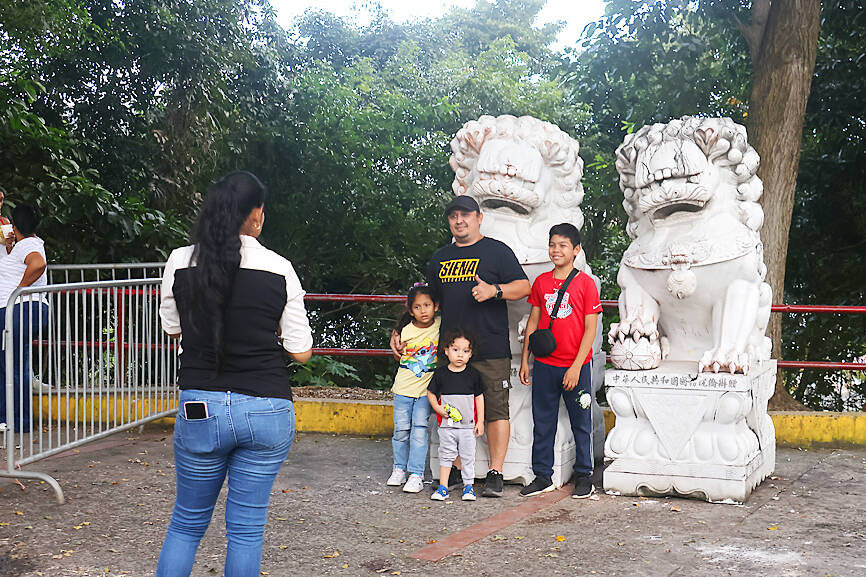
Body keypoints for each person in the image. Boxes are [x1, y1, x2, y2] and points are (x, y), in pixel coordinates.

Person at [156, 171, 313, 577]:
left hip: (200, 407)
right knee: (246, 531)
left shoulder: (180, 261)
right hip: (266, 407)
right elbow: (301, 352)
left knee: (186, 524)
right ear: (256, 215)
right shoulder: (280, 268)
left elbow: (172, 327)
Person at [392, 195, 530, 498]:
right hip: (450, 349)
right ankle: (452, 470)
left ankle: (495, 472)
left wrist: (495, 290)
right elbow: (425, 300)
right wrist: (400, 329)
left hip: (491, 347)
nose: (459, 220)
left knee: (495, 410)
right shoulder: (440, 258)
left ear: (479, 218)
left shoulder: (497, 252)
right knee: (450, 410)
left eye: (465, 214)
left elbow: (524, 287)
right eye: (454, 215)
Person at [518, 223, 601, 499]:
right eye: (553, 244)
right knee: (542, 421)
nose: (556, 250)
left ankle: (584, 475)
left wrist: (577, 367)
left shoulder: (586, 284)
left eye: (563, 245)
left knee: (581, 422)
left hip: (577, 366)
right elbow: (533, 321)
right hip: (544, 364)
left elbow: (591, 329)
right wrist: (524, 360)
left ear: (576, 250)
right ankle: (542, 475)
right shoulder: (541, 282)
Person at [0, 204, 49, 433]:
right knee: (12, 365)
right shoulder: (24, 244)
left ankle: (19, 422)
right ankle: (12, 419)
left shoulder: (28, 245)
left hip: (20, 308)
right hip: (21, 309)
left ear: (15, 225)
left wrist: (18, 291)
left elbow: (38, 264)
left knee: (14, 366)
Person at [387, 284, 440, 493]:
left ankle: (416, 474)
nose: (423, 311)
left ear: (436, 306)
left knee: (419, 431)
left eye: (427, 305)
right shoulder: (404, 331)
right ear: (410, 311)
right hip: (403, 389)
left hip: (425, 392)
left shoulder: (441, 326)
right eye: (417, 307)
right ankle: (399, 469)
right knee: (401, 431)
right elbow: (397, 353)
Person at [427, 328, 485, 501]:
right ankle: (443, 487)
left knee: (468, 457)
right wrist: (437, 409)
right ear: (446, 350)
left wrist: (480, 421)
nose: (460, 355)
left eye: (465, 351)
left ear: (471, 353)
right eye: (455, 349)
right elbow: (430, 393)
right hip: (446, 427)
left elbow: (479, 398)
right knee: (446, 455)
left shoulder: (473, 375)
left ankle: (469, 487)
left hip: (468, 427)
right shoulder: (441, 374)